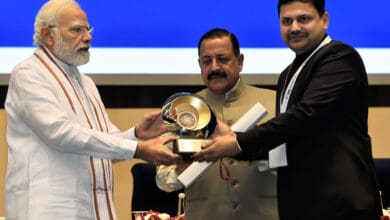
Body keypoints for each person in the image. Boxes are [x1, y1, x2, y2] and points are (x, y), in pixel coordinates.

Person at [193, 1, 382, 219]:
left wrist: (237, 141)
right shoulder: (288, 74)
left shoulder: (340, 57)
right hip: (303, 204)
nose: (294, 28)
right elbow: (285, 142)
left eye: (304, 19)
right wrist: (233, 145)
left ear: (325, 20)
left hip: (340, 203)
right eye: (286, 21)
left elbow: (303, 116)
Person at [4, 0, 179, 219]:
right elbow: (62, 134)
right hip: (49, 210)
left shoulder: (86, 82)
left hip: (94, 209)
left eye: (88, 29)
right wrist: (139, 150)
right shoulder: (28, 74)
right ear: (48, 35)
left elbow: (105, 147)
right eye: (77, 30)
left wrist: (136, 135)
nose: (88, 37)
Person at [156, 28, 279, 219]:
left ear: (240, 62)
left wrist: (258, 152)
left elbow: (298, 167)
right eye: (207, 61)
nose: (214, 68)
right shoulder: (181, 111)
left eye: (222, 59)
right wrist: (180, 171)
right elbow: (162, 180)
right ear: (199, 65)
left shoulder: (275, 103)